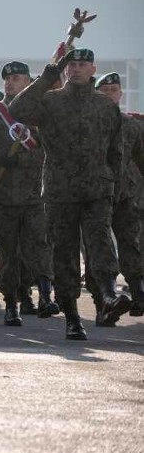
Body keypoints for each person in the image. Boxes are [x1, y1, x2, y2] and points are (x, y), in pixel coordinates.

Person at [9, 49, 129, 340]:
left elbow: (116, 151)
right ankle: (72, 318)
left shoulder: (105, 106)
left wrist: (114, 185)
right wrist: (49, 74)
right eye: (71, 65)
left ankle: (108, 295)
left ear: (93, 69)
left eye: (81, 65)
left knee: (101, 244)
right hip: (60, 191)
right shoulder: (50, 101)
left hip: (97, 189)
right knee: (63, 254)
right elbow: (17, 109)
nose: (75, 69)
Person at [0, 61, 58, 327]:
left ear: (29, 83)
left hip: (35, 195)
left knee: (40, 247)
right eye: (7, 79)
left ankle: (45, 294)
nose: (9, 82)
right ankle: (11, 305)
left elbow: (53, 150)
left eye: (17, 78)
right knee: (9, 253)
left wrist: (26, 161)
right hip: (4, 198)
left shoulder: (42, 114)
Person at [87, 71, 144, 320]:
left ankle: (139, 294)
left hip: (125, 196)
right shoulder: (88, 123)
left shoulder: (132, 124)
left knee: (130, 244)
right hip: (95, 194)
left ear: (120, 94)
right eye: (105, 91)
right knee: (96, 248)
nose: (109, 94)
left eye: (114, 90)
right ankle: (103, 303)